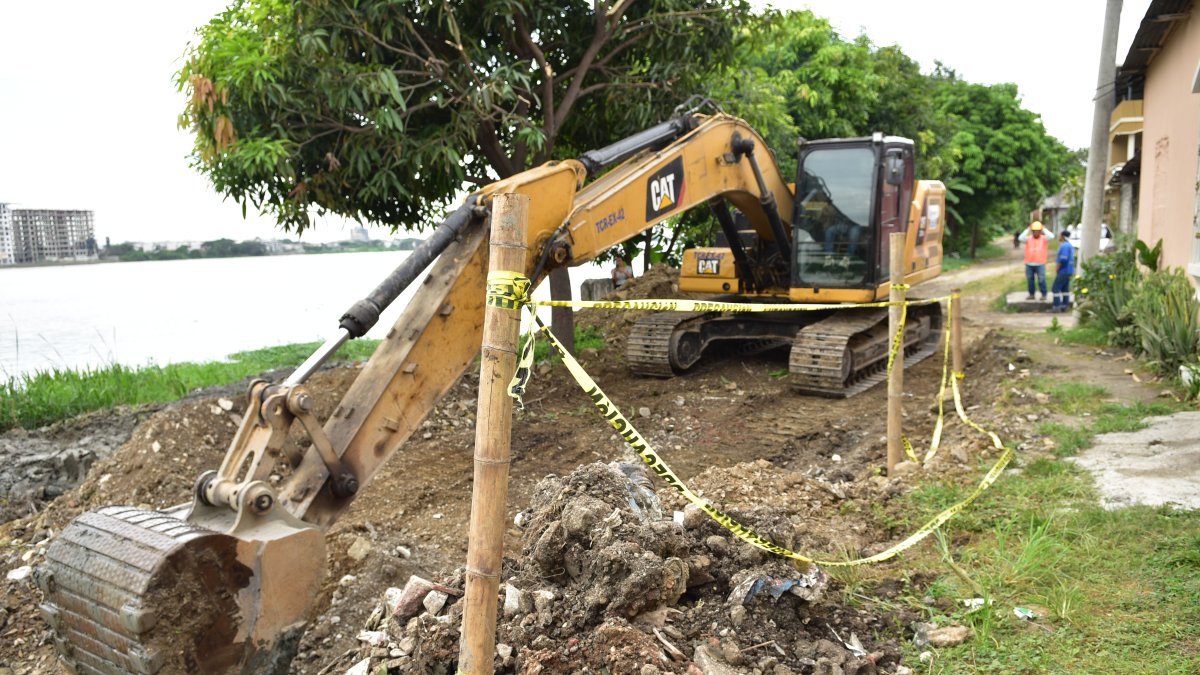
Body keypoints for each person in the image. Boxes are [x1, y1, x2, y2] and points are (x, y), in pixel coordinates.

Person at [1023, 221, 1049, 301]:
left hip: (1040, 263)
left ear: (1040, 231)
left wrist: (1044, 228)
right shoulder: (1028, 238)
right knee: (1030, 280)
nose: (1036, 232)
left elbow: (1052, 236)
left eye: (1038, 231)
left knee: (1041, 279)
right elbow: (1020, 237)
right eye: (1034, 231)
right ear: (1032, 231)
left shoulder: (1044, 238)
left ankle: (1044, 294)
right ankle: (1031, 294)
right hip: (1029, 263)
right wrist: (1028, 229)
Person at [1052, 229, 1075, 312]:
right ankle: (1065, 306)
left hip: (1063, 270)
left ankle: (1056, 306)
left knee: (1055, 288)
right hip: (1070, 270)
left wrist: (1057, 268)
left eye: (1060, 235)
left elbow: (1063, 259)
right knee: (1065, 289)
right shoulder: (1070, 245)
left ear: (1063, 236)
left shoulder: (1064, 246)